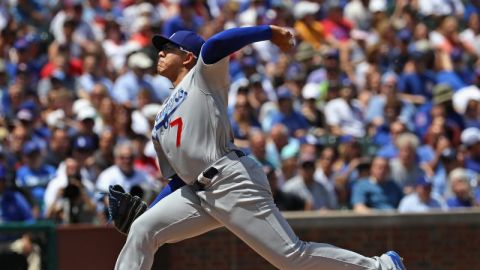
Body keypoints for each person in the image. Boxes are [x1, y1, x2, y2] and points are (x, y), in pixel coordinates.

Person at [113, 25, 406, 270]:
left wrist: (269, 32)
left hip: (230, 179)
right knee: (143, 228)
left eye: (169, 48)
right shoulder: (160, 115)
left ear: (188, 57)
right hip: (196, 191)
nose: (160, 52)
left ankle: (379, 266)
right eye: (160, 49)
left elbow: (215, 44)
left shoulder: (202, 78)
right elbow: (176, 179)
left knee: (291, 257)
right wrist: (150, 211)